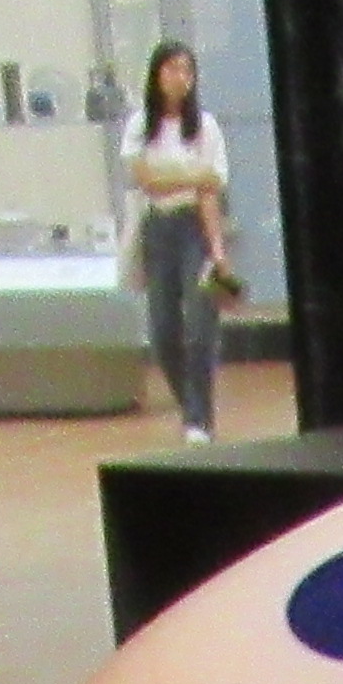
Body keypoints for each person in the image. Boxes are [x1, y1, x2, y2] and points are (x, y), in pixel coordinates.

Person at [122, 40, 229, 442]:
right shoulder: (139, 126)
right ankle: (191, 406)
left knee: (200, 325)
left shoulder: (205, 126)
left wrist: (217, 249)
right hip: (157, 228)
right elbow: (147, 180)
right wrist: (192, 176)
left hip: (195, 228)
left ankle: (198, 419)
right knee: (163, 329)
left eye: (187, 70)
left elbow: (211, 189)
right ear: (156, 75)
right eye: (171, 69)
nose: (179, 78)